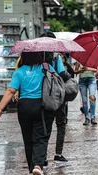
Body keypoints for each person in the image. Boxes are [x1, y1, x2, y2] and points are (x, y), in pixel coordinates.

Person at [0, 52, 54, 175]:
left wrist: (0, 109)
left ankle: (30, 170)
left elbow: (11, 90)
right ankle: (38, 166)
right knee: (41, 137)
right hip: (42, 106)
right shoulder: (46, 68)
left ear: (23, 57)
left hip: (24, 107)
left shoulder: (19, 72)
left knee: (28, 139)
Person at [39, 31, 71, 167]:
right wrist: (70, 75)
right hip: (57, 95)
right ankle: (58, 154)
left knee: (45, 126)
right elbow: (63, 75)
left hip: (43, 95)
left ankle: (43, 157)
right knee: (61, 124)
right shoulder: (56, 57)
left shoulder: (37, 57)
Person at [74, 61, 97, 125]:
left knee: (92, 97)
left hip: (91, 79)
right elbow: (75, 71)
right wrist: (80, 70)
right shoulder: (79, 60)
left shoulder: (93, 59)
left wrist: (88, 69)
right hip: (82, 81)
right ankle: (87, 117)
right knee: (84, 100)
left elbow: (97, 69)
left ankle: (93, 117)